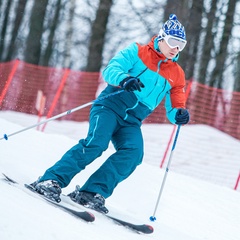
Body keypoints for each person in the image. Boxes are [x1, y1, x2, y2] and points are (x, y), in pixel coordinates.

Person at [30, 14, 190, 214]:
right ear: (161, 38)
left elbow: (176, 102)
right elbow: (111, 69)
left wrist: (179, 114)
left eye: (181, 45)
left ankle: (91, 192)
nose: (176, 48)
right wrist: (124, 79)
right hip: (109, 108)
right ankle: (51, 179)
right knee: (96, 144)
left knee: (133, 153)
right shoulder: (137, 51)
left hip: (132, 121)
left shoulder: (177, 74)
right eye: (173, 42)